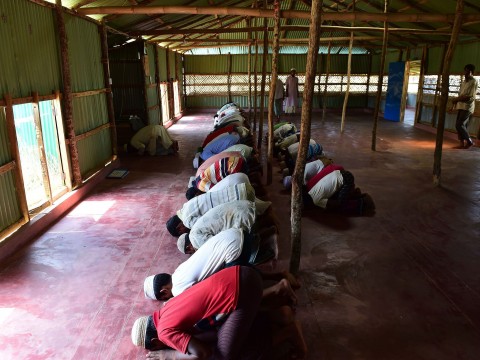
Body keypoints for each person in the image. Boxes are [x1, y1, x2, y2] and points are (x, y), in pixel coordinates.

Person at [451, 64, 478, 148]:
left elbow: (469, 97)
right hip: (461, 106)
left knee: (459, 124)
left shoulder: (473, 81)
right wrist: (454, 105)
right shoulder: (464, 82)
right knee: (460, 125)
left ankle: (469, 141)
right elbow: (461, 95)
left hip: (467, 107)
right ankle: (462, 143)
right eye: (465, 71)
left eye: (468, 71)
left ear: (472, 72)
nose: (465, 73)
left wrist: (457, 99)